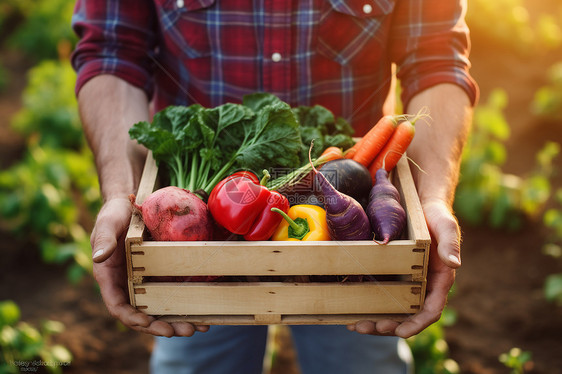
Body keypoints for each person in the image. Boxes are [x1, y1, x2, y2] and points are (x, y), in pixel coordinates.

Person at [71, 0, 478, 373]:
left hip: (359, 257)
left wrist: (431, 199)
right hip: (194, 260)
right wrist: (121, 191)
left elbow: (436, 58)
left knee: (361, 362)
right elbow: (111, 52)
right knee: (199, 361)